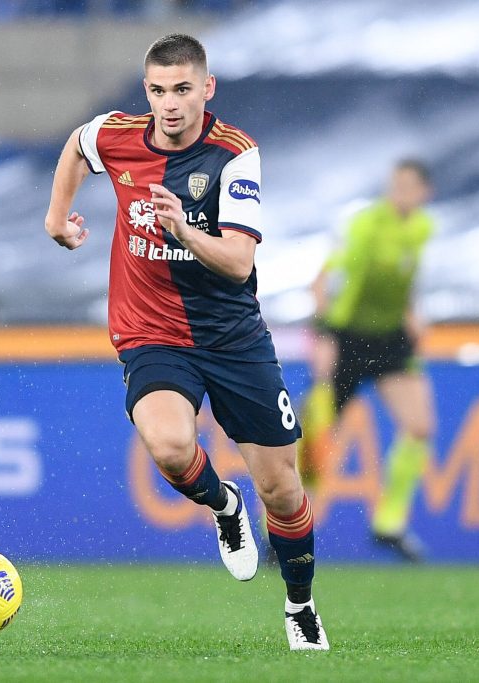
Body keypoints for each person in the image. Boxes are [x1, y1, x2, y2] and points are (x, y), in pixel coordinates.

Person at [45, 34, 328, 651]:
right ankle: (224, 507)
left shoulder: (235, 155)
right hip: (151, 333)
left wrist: (183, 229)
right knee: (172, 448)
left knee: (282, 490)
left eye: (181, 89)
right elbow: (76, 145)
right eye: (157, 90)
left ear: (207, 88)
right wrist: (56, 216)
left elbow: (238, 261)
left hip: (232, 339)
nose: (169, 104)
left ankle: (300, 606)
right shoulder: (117, 135)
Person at [304, 159, 437, 562]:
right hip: (346, 338)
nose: (400, 193)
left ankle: (389, 524)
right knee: (316, 437)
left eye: (409, 186)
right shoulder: (365, 225)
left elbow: (402, 281)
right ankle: (283, 528)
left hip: (389, 340)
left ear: (425, 193)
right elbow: (323, 280)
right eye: (396, 184)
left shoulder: (422, 228)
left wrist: (412, 316)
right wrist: (324, 334)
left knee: (420, 427)